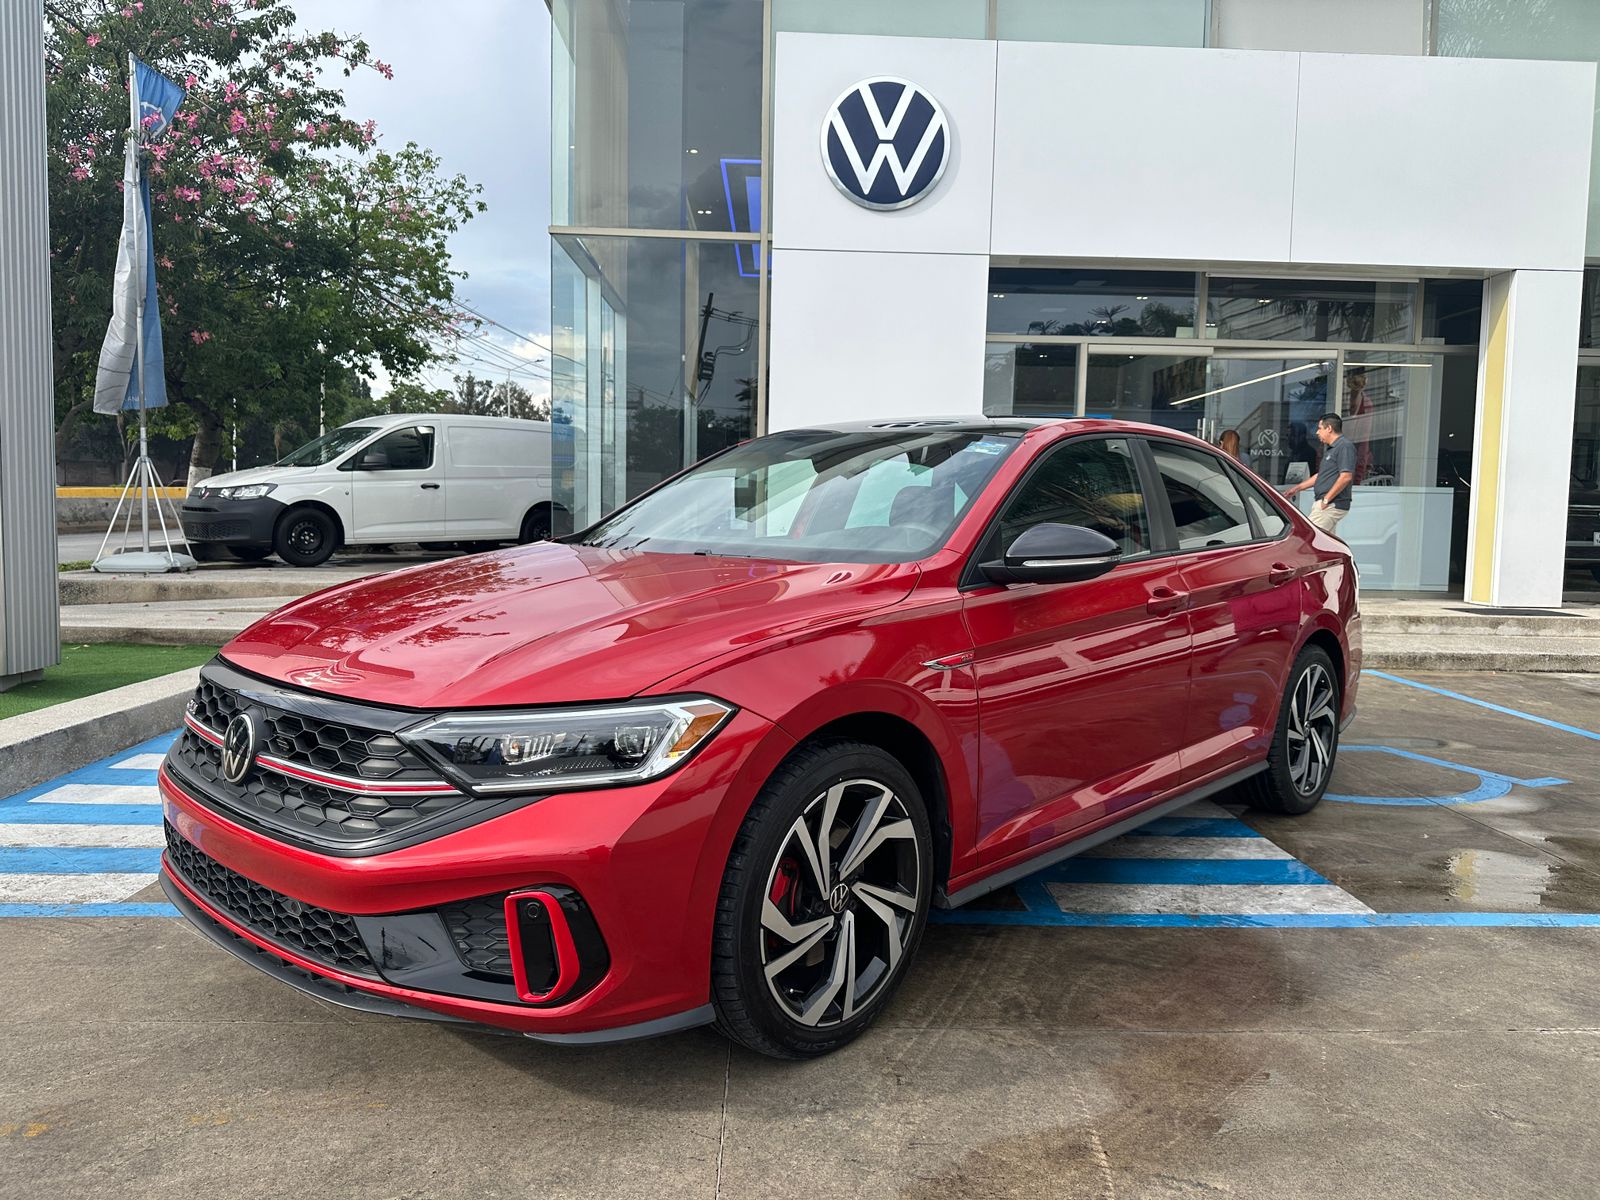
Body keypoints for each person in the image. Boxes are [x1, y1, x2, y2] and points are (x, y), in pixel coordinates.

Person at [1284, 413, 1355, 538]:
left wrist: (1326, 500)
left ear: (1329, 429)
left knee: (1308, 540)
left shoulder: (1344, 446)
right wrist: (1296, 488)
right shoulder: (1332, 449)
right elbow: (1320, 476)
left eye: (1320, 428)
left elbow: (1346, 476)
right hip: (1326, 504)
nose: (1317, 432)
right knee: (1327, 545)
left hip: (1331, 505)